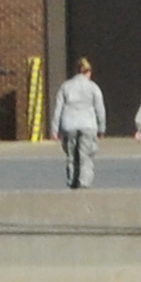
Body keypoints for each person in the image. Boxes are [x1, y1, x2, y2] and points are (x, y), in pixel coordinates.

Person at [51, 57, 106, 190]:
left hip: (69, 124)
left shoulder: (66, 86)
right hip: (88, 124)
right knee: (85, 156)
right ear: (88, 72)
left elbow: (58, 108)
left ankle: (72, 181)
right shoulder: (93, 87)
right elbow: (100, 109)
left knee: (71, 156)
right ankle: (84, 182)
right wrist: (101, 128)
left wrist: (54, 129)